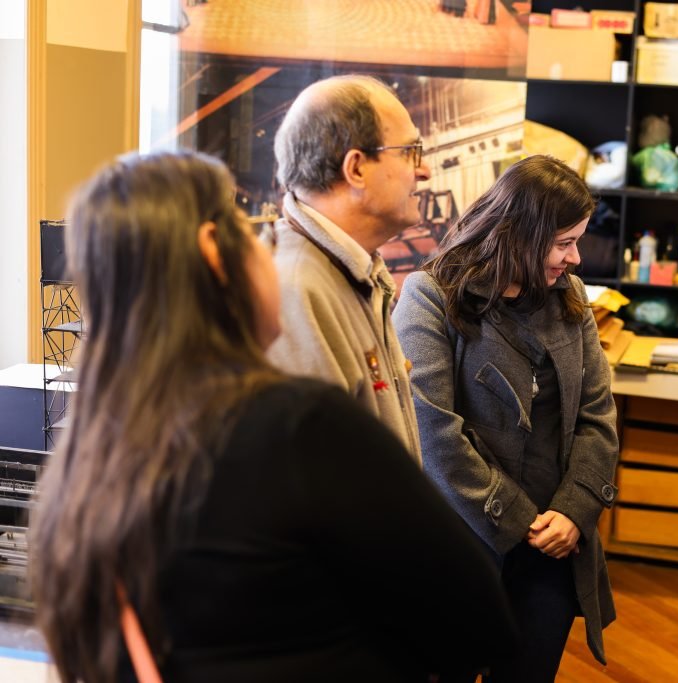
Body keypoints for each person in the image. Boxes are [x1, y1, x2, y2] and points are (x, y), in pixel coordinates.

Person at [29, 151, 516, 683]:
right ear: (215, 253)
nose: (271, 250)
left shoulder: (80, 466)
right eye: (256, 234)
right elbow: (478, 621)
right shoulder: (302, 427)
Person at [394, 155, 619, 681]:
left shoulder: (570, 297)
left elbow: (597, 414)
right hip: (460, 551)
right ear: (519, 234)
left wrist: (575, 509)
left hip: (552, 548)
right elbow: (433, 432)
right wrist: (520, 521)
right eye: (564, 243)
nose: (576, 258)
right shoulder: (430, 297)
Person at [267, 75, 428, 462]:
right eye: (410, 151)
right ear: (356, 168)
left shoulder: (351, 270)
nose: (423, 172)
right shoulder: (295, 291)